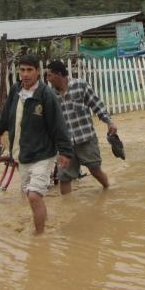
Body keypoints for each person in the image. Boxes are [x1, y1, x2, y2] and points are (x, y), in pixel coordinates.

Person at [0, 55, 73, 234]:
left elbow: (58, 125)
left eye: (30, 70)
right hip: (22, 154)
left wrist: (65, 152)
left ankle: (39, 238)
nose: (25, 74)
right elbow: (6, 114)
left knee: (34, 195)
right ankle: (42, 221)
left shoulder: (46, 95)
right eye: (22, 70)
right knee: (29, 197)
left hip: (43, 155)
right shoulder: (15, 91)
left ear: (38, 72)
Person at [45, 60, 117, 195]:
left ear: (59, 74)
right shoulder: (50, 94)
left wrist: (109, 122)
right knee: (64, 177)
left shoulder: (80, 85)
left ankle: (108, 190)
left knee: (94, 170)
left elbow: (97, 105)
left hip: (85, 138)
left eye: (49, 75)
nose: (47, 79)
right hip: (65, 144)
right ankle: (68, 210)